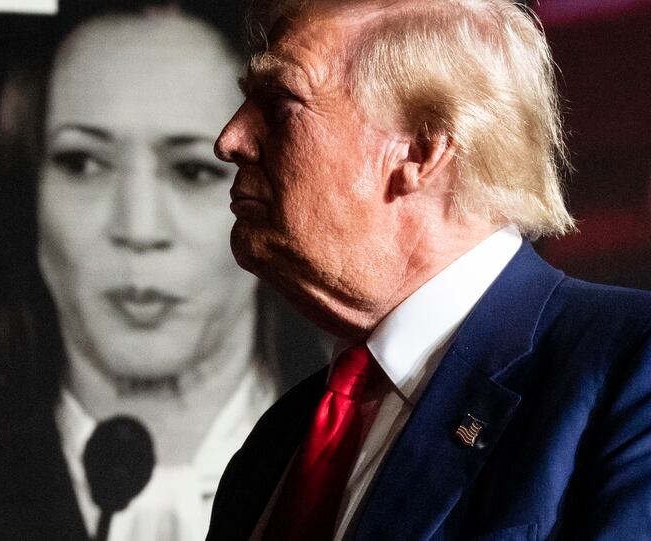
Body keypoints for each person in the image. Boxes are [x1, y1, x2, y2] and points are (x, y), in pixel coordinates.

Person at [206, 0, 651, 540]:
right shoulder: (277, 443)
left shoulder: (629, 370)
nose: (229, 140)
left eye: (279, 105)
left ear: (422, 148)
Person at [0, 1, 326, 540]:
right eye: (83, 162)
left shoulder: (350, 464)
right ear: (28, 189)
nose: (137, 227)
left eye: (193, 169)